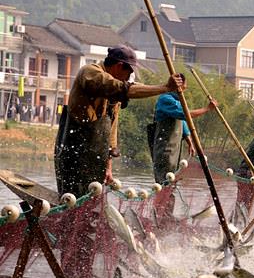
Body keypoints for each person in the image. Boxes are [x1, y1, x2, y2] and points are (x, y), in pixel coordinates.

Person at [55, 45, 182, 197]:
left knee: (92, 198)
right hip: (73, 149)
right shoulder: (91, 73)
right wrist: (166, 87)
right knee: (71, 196)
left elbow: (110, 131)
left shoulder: (115, 96)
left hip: (96, 154)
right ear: (119, 66)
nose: (128, 78)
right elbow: (124, 89)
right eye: (128, 73)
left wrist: (108, 167)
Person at [150, 73, 217, 183]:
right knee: (165, 180)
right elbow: (185, 114)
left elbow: (182, 121)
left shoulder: (177, 101)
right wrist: (207, 109)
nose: (183, 91)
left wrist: (189, 141)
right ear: (177, 86)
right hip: (165, 149)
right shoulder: (165, 99)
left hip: (174, 149)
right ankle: (162, 198)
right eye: (183, 88)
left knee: (172, 179)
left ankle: (168, 197)